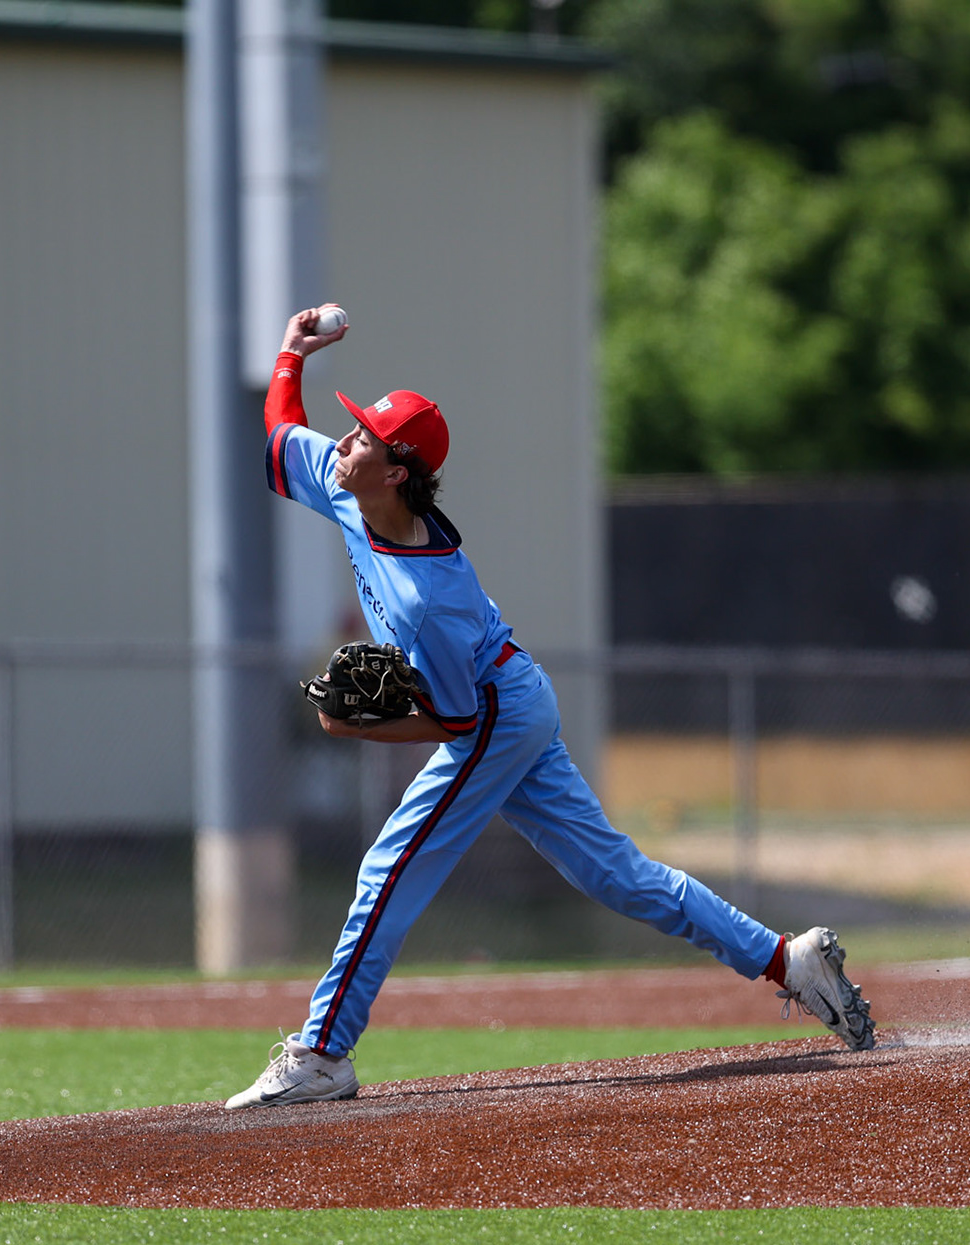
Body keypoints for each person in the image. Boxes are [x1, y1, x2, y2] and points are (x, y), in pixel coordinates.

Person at [225, 306, 875, 1110]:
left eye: (363, 435)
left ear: (397, 472)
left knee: (389, 868)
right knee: (619, 877)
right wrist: (290, 353)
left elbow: (460, 725)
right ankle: (787, 959)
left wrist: (355, 726)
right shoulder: (349, 488)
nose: (346, 440)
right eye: (353, 430)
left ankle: (323, 1053)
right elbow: (283, 434)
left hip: (494, 709)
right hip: (512, 696)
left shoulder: (433, 598)